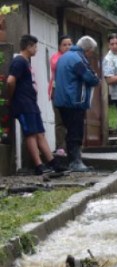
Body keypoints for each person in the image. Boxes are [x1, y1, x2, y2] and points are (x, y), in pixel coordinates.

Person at [6, 34, 63, 175]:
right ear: (28, 46)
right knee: (30, 134)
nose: (36, 49)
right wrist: (11, 97)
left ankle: (52, 162)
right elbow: (10, 81)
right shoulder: (19, 61)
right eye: (35, 46)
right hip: (23, 103)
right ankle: (39, 165)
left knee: (40, 133)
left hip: (31, 103)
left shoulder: (26, 62)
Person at [54, 35, 101, 172]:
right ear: (88, 49)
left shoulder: (65, 57)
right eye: (92, 51)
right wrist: (96, 79)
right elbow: (89, 77)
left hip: (62, 99)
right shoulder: (77, 58)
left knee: (70, 131)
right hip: (74, 100)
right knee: (75, 131)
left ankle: (73, 161)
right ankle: (75, 162)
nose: (92, 54)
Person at [48, 34, 72, 152]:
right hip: (57, 92)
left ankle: (72, 146)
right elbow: (58, 66)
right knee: (60, 121)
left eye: (69, 44)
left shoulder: (75, 56)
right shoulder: (55, 58)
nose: (67, 47)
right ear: (59, 47)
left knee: (72, 120)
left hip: (71, 93)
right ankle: (61, 147)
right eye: (64, 45)